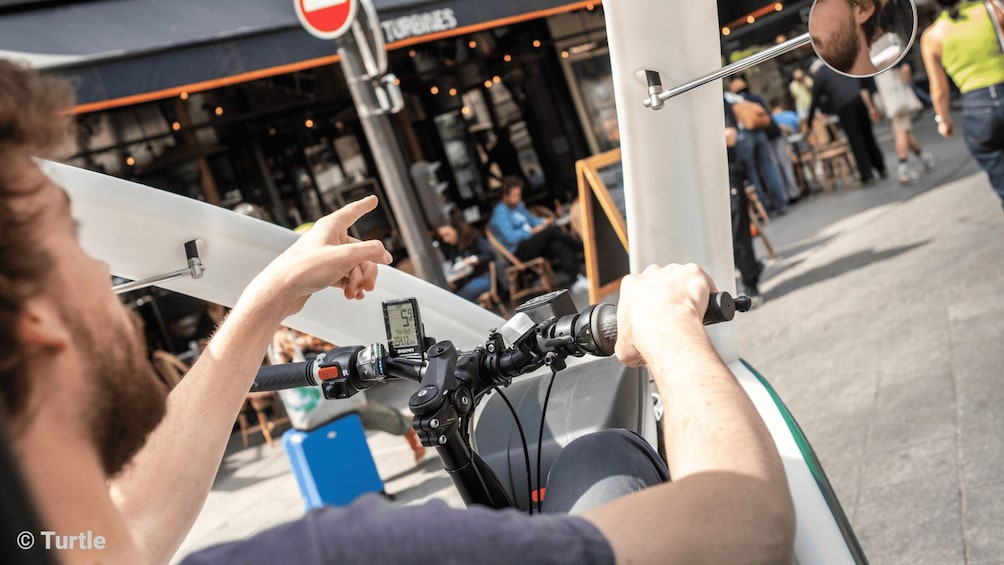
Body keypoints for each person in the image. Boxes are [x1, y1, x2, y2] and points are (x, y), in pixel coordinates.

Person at [0, 60, 794, 564]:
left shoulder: (49, 542)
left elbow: (127, 529)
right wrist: (671, 333)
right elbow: (746, 519)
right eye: (73, 236)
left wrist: (265, 300)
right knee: (600, 456)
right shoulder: (355, 551)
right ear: (36, 319)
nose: (106, 274)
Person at [270, 327, 426, 463]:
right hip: (323, 398)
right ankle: (410, 427)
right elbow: (286, 359)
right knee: (366, 416)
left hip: (333, 395)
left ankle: (410, 429)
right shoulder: (284, 335)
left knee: (368, 414)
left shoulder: (294, 332)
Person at [921, 0, 1004, 210]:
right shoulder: (991, 9)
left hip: (977, 110)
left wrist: (943, 121)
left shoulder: (932, 36)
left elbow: (939, 90)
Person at [489, 176, 588, 291]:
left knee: (558, 245)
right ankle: (581, 246)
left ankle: (576, 279)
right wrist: (531, 231)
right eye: (515, 195)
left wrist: (543, 221)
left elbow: (532, 220)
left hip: (533, 243)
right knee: (551, 231)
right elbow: (511, 237)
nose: (518, 198)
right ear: (505, 196)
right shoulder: (500, 213)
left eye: (519, 195)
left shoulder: (518, 207)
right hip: (519, 250)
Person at [806, 64, 889, 184]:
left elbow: (814, 101)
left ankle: (866, 174)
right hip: (859, 99)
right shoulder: (837, 66)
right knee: (868, 136)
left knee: (856, 141)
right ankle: (881, 167)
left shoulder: (820, 75)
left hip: (845, 107)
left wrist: (809, 123)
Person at [865, 58, 936, 184]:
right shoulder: (888, 48)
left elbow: (863, 87)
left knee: (904, 130)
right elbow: (905, 69)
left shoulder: (862, 54)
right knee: (901, 131)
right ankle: (903, 169)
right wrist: (906, 81)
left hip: (879, 98)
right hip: (895, 95)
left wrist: (871, 107)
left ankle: (923, 157)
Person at [725, 81, 789, 216]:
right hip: (759, 133)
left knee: (753, 174)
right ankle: (780, 204)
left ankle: (766, 210)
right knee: (769, 168)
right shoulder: (747, 99)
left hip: (743, 137)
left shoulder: (727, 99)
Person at [725, 100, 766, 304]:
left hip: (726, 173)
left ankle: (751, 285)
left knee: (738, 231)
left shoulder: (716, 99)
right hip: (699, 179)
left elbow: (730, 136)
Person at [434, 219, 500, 304]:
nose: (445, 239)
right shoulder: (452, 247)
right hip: (466, 280)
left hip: (484, 276)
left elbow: (491, 255)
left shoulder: (473, 238)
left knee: (458, 300)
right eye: (442, 236)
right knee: (449, 296)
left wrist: (473, 259)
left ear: (456, 230)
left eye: (447, 234)